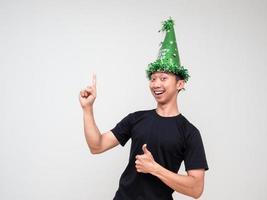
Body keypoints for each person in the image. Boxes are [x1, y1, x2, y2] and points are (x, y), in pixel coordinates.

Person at [79, 17, 208, 200]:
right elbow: (96, 146)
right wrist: (87, 109)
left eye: (163, 78)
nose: (156, 84)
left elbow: (196, 189)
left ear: (180, 83)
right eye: (153, 78)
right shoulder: (136, 119)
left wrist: (154, 169)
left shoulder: (189, 132)